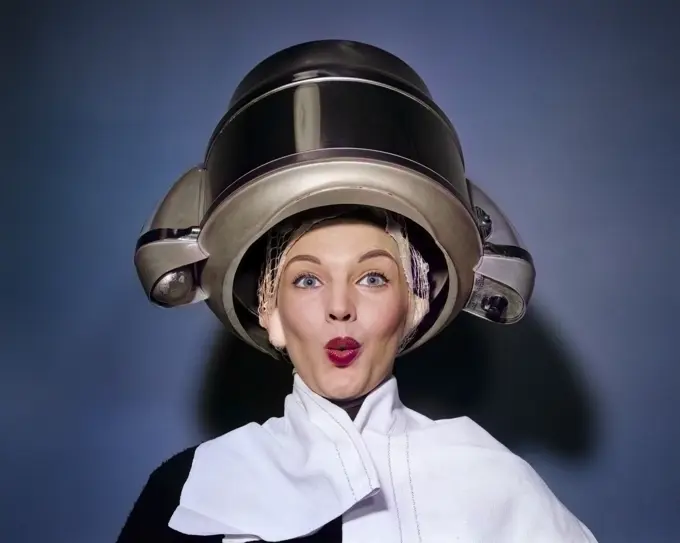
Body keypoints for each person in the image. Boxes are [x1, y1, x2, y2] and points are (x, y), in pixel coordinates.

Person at [122, 41, 598, 542]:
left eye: (373, 278)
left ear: (413, 306)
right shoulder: (190, 492)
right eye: (307, 279)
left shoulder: (499, 488)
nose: (340, 308)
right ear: (272, 315)